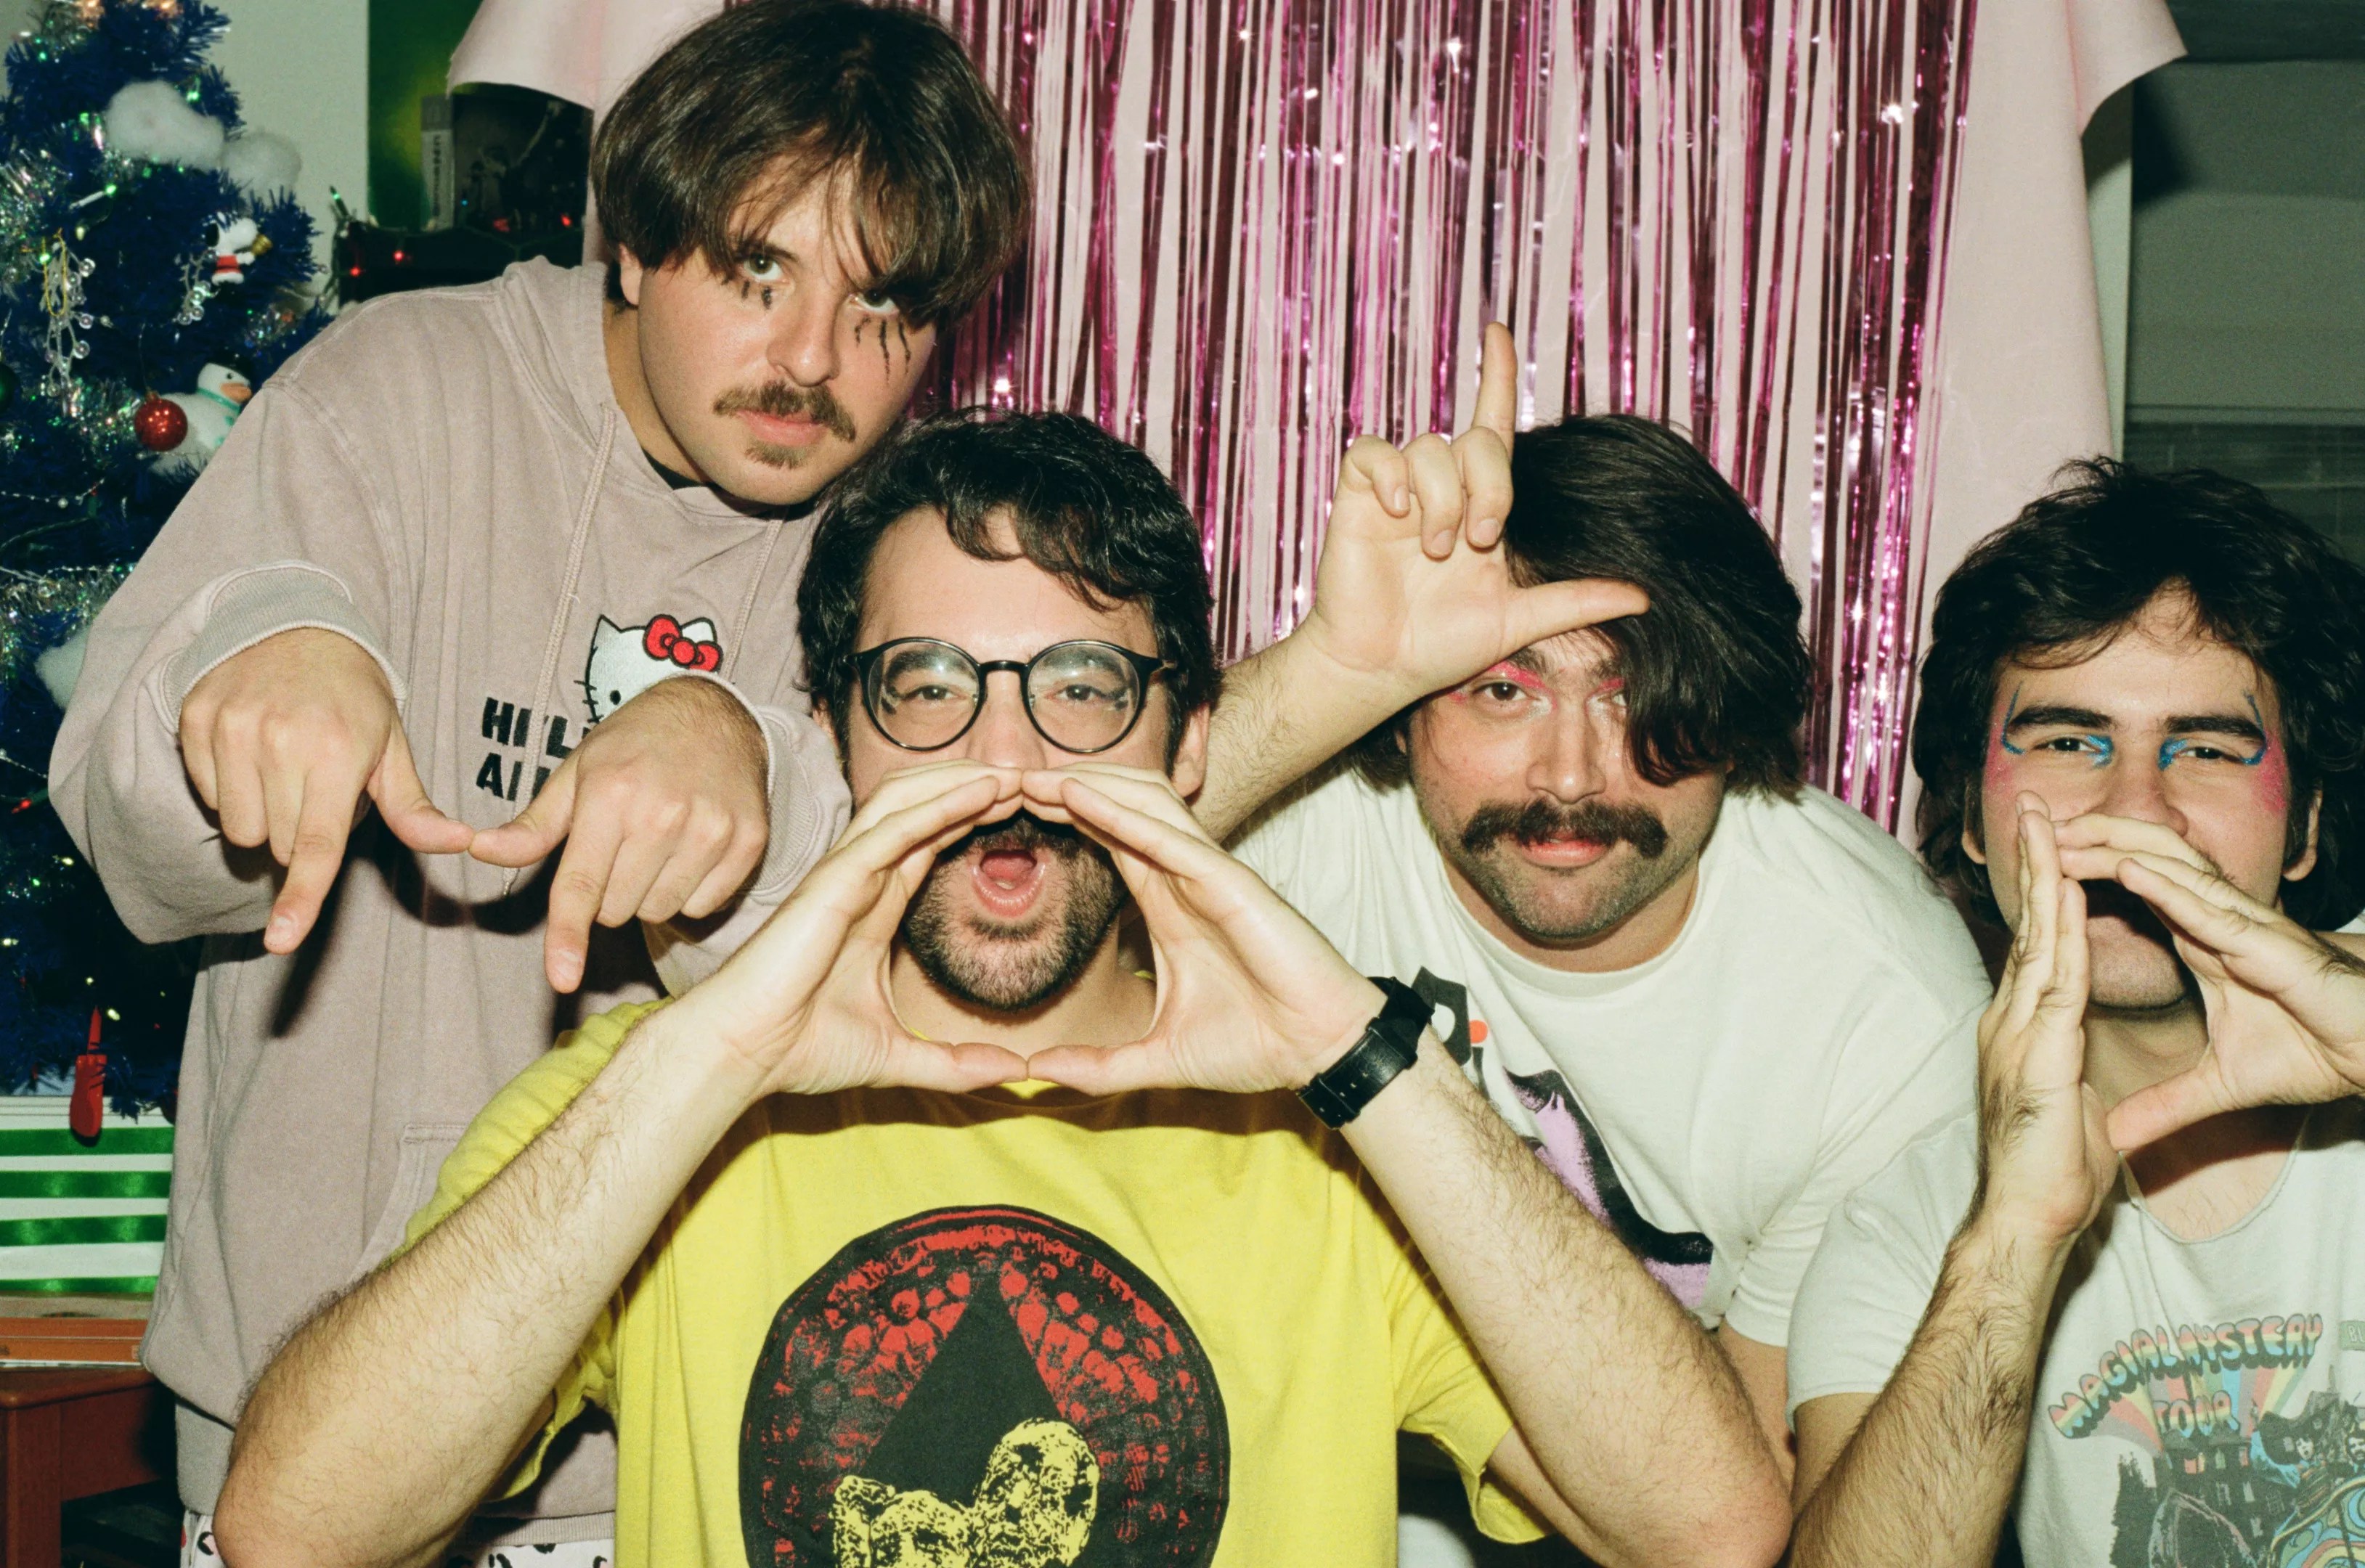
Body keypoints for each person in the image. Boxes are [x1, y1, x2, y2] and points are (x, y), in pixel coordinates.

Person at [208, 410, 1790, 1568]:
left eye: (1084, 687)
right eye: (929, 688)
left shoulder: (1344, 1139)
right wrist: (710, 1061)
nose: (1008, 762)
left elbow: (1712, 1529)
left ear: (1185, 741)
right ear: (839, 737)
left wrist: (1355, 1060)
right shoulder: (652, 1105)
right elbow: (294, 1532)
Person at [48, 1, 1028, 1553]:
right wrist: (253, 655)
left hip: (698, 1474)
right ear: (636, 242)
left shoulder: (905, 549)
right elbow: (133, 847)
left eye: (885, 310)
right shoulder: (398, 389)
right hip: (304, 1455)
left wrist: (754, 764)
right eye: (759, 271)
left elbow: (948, 941)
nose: (812, 364)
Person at [1192, 330, 1990, 1468]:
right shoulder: (1298, 823)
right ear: (1409, 709)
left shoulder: (1889, 1016)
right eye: (1501, 691)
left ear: (1736, 718)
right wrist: (1336, 668)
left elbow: (1744, 1490)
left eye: (1631, 697)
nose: (1566, 777)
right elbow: (1030, 840)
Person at [1785, 462, 2365, 1568]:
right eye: (2065, 741)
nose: (2133, 810)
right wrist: (2014, 1239)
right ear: (1968, 819)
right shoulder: (1909, 1223)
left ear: (2302, 831)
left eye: (2203, 747)